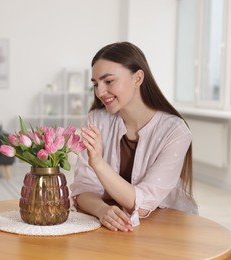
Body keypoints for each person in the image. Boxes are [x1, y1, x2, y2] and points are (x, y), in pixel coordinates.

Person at [70, 41, 198, 232]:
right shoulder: (96, 120)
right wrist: (102, 210)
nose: (100, 92)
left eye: (109, 81)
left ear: (138, 78)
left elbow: (143, 202)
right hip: (115, 227)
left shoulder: (175, 131)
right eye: (96, 84)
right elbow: (83, 189)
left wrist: (98, 163)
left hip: (166, 227)